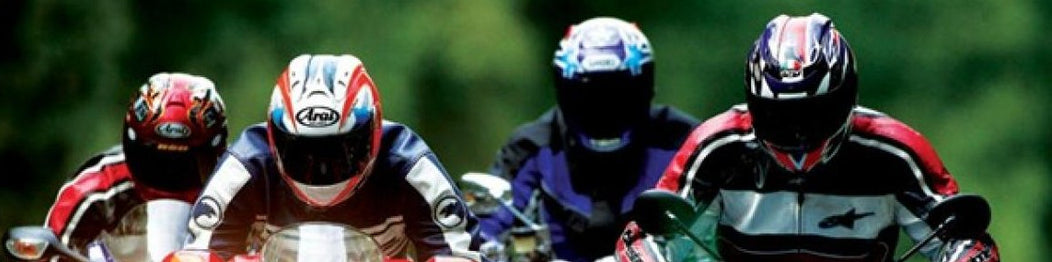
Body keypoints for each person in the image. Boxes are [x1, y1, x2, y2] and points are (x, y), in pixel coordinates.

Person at [617, 13, 999, 261]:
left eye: (814, 113)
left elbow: (968, 242)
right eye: (779, 115)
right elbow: (643, 238)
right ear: (754, 103)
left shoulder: (895, 152)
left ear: (848, 97)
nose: (798, 133)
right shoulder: (716, 146)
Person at [183, 54, 481, 261]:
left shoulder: (411, 168)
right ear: (275, 138)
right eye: (302, 152)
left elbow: (459, 253)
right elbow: (198, 253)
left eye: (340, 151)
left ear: (373, 131)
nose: (320, 167)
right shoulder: (246, 167)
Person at [477, 17, 700, 261]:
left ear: (645, 90)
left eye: (618, 96)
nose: (604, 111)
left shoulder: (683, 139)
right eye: (589, 98)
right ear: (564, 93)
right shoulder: (531, 146)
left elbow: (723, 221)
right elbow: (486, 227)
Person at [43, 73, 228, 262]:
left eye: (184, 162)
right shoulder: (94, 191)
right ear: (133, 144)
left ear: (215, 150)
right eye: (157, 158)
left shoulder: (235, 185)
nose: (168, 171)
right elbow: (50, 253)